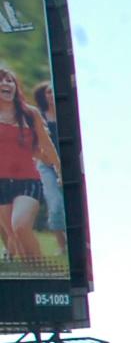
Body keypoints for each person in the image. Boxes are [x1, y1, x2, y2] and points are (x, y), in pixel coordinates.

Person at [0, 66, 55, 267]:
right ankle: (34, 274)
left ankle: (45, 272)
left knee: (20, 225)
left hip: (28, 180)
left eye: (9, 80)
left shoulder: (29, 114)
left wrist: (59, 169)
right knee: (13, 235)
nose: (6, 84)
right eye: (1, 81)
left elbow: (45, 146)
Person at [30, 83, 65, 257]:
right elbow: (35, 145)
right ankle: (62, 245)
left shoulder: (67, 114)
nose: (52, 95)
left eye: (54, 91)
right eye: (49, 92)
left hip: (68, 164)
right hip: (47, 165)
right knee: (55, 203)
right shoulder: (38, 116)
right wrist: (52, 162)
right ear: (43, 96)